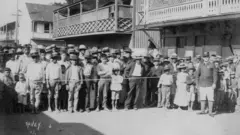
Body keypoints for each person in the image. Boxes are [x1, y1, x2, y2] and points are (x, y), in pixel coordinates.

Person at [196, 52, 217, 117]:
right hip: (202, 84)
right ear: (203, 58)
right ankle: (202, 110)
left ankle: (210, 112)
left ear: (209, 57)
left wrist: (214, 83)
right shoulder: (201, 65)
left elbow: (215, 75)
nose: (206, 58)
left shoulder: (212, 64)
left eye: (207, 57)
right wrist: (197, 84)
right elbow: (197, 75)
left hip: (210, 84)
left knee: (210, 98)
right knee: (202, 98)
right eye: (205, 57)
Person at [26, 49, 45, 114]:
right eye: (33, 57)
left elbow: (43, 74)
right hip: (31, 82)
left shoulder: (41, 65)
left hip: (39, 83)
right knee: (31, 97)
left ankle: (36, 109)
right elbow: (28, 75)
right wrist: (27, 84)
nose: (35, 59)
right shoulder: (30, 65)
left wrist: (43, 82)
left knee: (38, 97)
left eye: (36, 57)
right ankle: (32, 109)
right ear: (32, 58)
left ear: (38, 57)